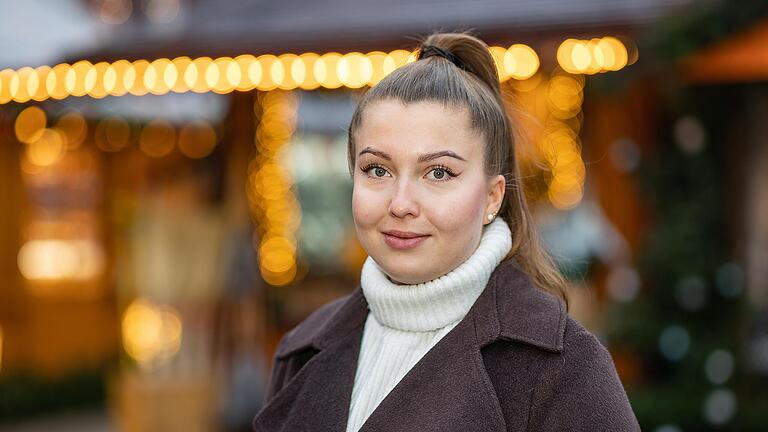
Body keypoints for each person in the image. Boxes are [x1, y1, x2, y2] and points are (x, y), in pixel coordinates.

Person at [252, 32, 641, 432]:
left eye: (438, 173)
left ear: (493, 197)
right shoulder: (302, 351)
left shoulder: (561, 370)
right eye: (377, 170)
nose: (401, 203)